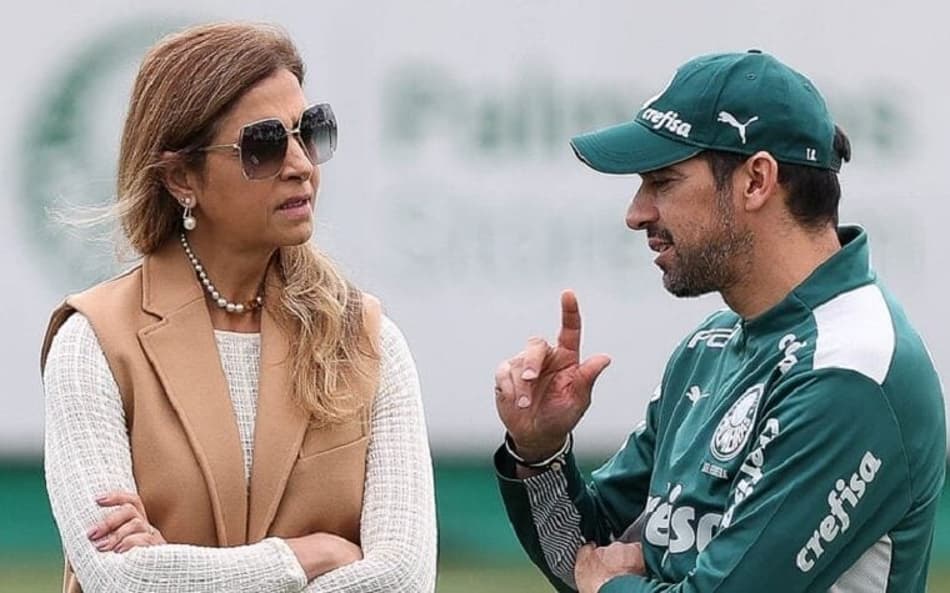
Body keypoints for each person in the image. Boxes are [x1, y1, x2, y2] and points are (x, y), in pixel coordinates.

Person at [492, 50, 945, 593]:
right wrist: (539, 453)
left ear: (756, 180)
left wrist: (608, 586)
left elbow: (601, 576)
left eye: (662, 181)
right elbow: (585, 553)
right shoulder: (709, 346)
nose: (636, 213)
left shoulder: (849, 371)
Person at [40, 22, 436, 593]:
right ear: (180, 177)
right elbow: (122, 579)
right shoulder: (92, 342)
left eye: (310, 131)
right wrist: (313, 555)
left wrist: (181, 566)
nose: (301, 163)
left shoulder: (368, 340)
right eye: (265, 145)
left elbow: (402, 579)